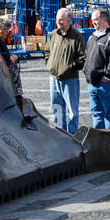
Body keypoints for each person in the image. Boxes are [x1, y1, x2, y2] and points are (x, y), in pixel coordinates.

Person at [83, 6, 110, 149]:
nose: (93, 22)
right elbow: (86, 57)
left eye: (96, 19)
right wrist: (86, 73)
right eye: (92, 20)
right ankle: (98, 143)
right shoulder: (92, 37)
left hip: (105, 83)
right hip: (92, 83)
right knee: (97, 114)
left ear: (104, 19)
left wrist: (107, 77)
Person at [44, 7, 85, 135]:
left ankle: (72, 134)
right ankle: (59, 134)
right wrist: (50, 65)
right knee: (56, 107)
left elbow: (83, 58)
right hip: (54, 78)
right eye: (57, 19)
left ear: (69, 20)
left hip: (70, 79)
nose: (58, 22)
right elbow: (47, 52)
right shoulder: (53, 34)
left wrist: (68, 68)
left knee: (73, 109)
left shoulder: (77, 36)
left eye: (61, 20)